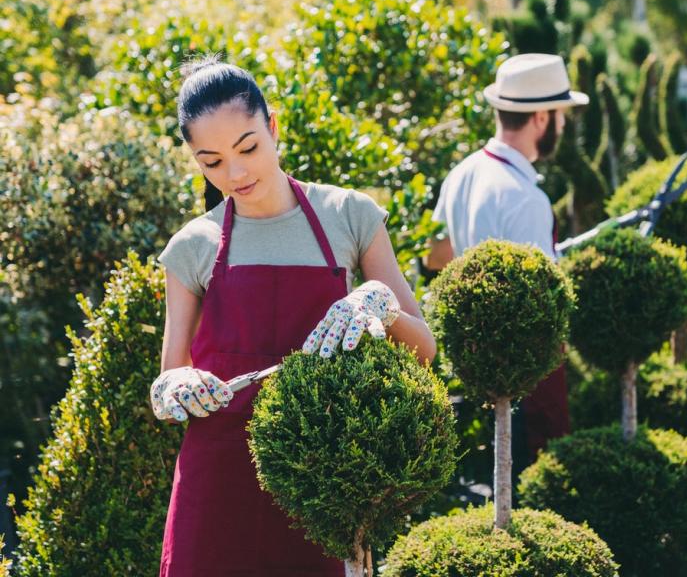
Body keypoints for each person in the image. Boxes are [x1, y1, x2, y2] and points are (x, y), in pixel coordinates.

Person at [151, 57, 435, 576]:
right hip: (217, 485)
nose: (234, 174)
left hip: (321, 481)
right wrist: (179, 386)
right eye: (211, 162)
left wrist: (376, 301)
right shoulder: (192, 246)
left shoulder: (350, 216)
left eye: (249, 148)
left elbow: (424, 349)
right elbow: (166, 383)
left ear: (273, 127)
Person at [426, 53, 589, 458]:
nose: (564, 124)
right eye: (560, 114)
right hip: (523, 377)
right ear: (540, 118)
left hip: (469, 365)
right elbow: (543, 312)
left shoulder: (462, 172)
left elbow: (435, 256)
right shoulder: (526, 199)